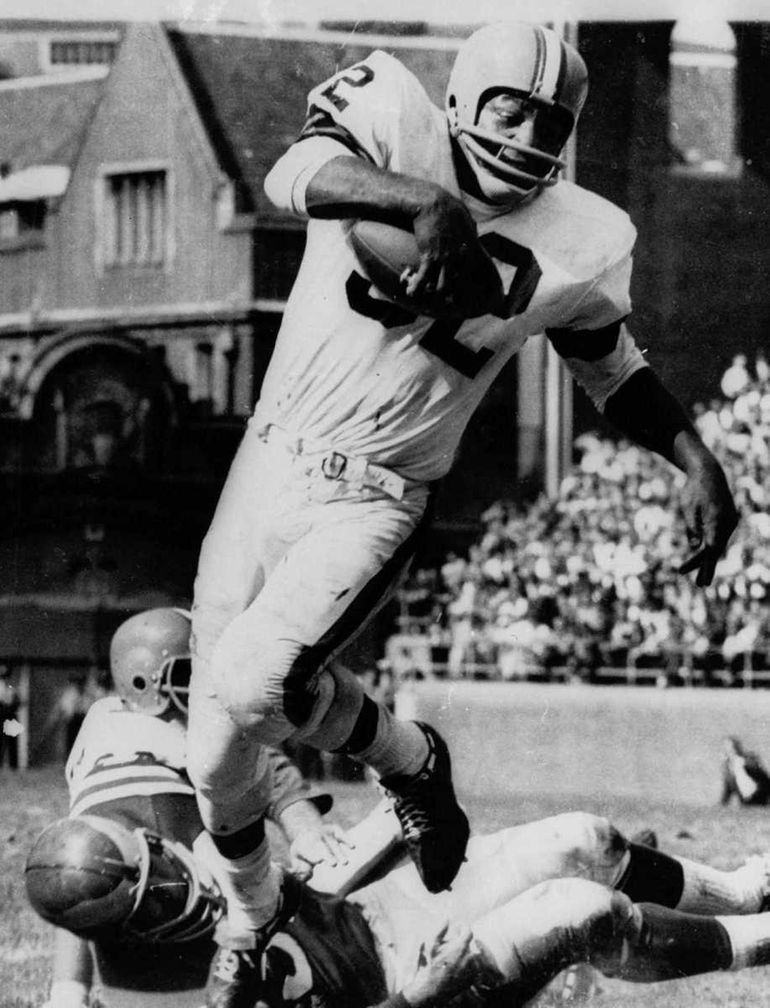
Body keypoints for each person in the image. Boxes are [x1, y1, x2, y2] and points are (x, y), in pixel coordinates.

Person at [188, 20, 739, 1004]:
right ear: (456, 101)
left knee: (256, 683)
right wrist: (425, 203)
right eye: (508, 107)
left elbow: (608, 367)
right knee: (215, 759)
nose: (528, 131)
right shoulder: (392, 114)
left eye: (549, 118)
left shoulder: (583, 232)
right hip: (264, 460)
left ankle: (411, 760)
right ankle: (249, 922)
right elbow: (295, 171)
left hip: (378, 492)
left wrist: (695, 458)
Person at [27, 776, 770, 1007]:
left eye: (158, 859)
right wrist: (419, 996)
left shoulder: (184, 845)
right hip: (406, 982)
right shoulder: (154, 996)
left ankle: (740, 893)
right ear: (122, 935)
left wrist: (390, 822)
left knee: (582, 838)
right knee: (585, 911)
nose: (175, 883)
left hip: (377, 912)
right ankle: (757, 943)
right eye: (155, 898)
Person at [27, 607, 342, 1008]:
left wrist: (304, 826)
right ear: (145, 681)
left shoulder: (105, 723)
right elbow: (264, 772)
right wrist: (301, 829)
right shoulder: (160, 734)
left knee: (82, 867)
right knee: (83, 864)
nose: (205, 687)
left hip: (154, 897)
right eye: (190, 675)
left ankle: (67, 996)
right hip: (184, 904)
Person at [721, 736, 770, 806]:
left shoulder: (748, 760)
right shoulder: (727, 766)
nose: (732, 749)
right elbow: (728, 788)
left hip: (760, 796)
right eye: (728, 747)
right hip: (745, 801)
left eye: (734, 746)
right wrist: (723, 804)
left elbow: (764, 779)